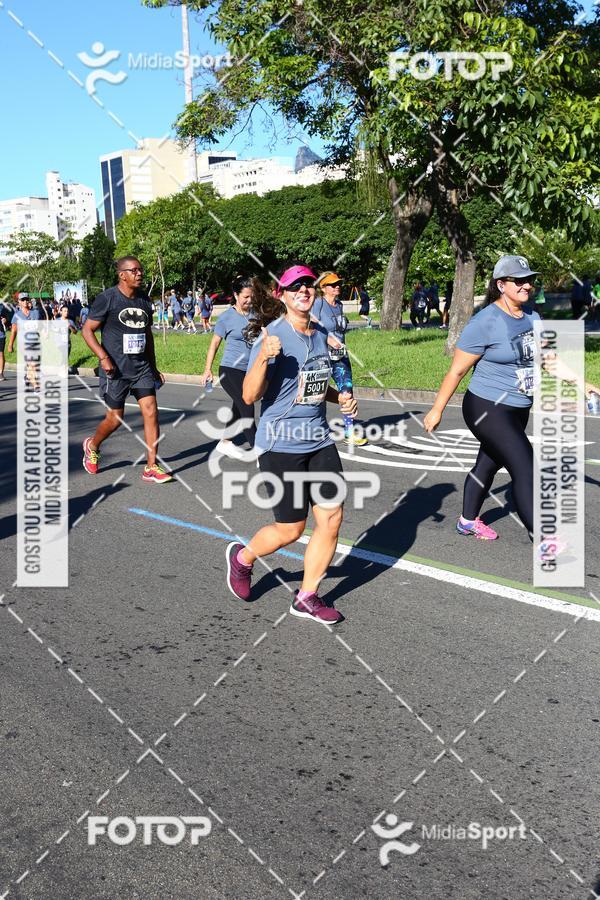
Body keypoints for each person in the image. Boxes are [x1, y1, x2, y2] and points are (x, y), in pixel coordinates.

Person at [224, 264, 358, 626]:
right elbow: (250, 395)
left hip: (318, 437)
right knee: (291, 529)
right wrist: (266, 357)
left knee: (331, 517)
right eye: (294, 286)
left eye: (307, 285)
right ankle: (243, 558)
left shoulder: (320, 333)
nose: (303, 289)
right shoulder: (272, 337)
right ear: (281, 295)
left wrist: (338, 398)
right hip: (280, 443)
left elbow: (311, 385)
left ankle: (307, 596)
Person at [81, 256, 173, 484]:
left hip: (141, 368)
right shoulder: (107, 298)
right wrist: (103, 357)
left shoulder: (143, 299)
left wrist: (153, 366)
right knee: (114, 419)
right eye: (134, 271)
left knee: (151, 411)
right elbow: (87, 331)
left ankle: (151, 466)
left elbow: (147, 335)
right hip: (116, 370)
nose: (139, 274)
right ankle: (92, 445)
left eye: (141, 270)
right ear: (122, 275)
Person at [200, 275, 257, 457]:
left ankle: (225, 442)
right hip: (230, 370)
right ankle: (259, 451)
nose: (249, 300)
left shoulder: (255, 314)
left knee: (238, 406)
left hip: (250, 370)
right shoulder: (226, 317)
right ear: (236, 295)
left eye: (251, 296)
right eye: (245, 297)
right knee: (246, 404)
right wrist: (207, 369)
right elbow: (214, 344)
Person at [313, 271, 367, 446]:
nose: (337, 287)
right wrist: (328, 339)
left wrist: (340, 344)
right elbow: (310, 324)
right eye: (332, 284)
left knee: (347, 390)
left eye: (338, 284)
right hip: (321, 356)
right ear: (323, 287)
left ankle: (349, 431)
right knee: (317, 392)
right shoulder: (318, 304)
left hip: (340, 356)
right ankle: (313, 427)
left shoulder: (340, 305)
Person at [7, 293, 42, 388]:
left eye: (27, 299)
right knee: (32, 364)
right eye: (23, 300)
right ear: (19, 302)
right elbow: (13, 331)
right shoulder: (17, 315)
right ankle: (36, 387)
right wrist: (10, 345)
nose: (25, 301)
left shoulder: (36, 313)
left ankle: (27, 376)